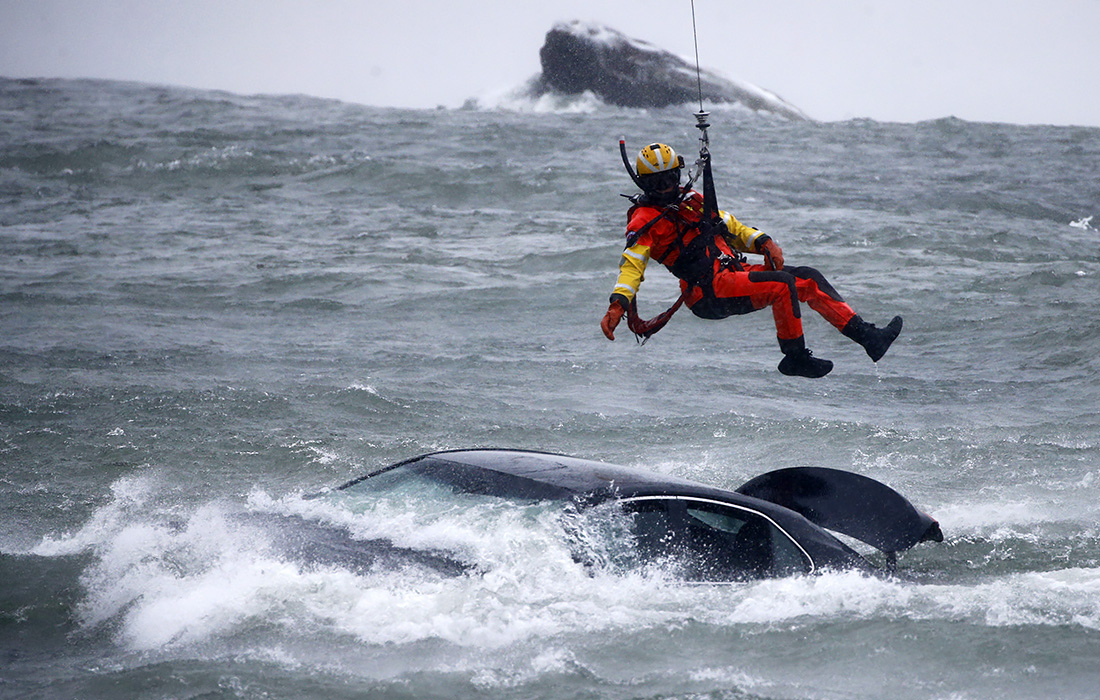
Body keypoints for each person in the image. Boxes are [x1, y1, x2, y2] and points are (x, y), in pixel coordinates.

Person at [600, 143, 902, 378]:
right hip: (707, 292)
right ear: (644, 184)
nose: (667, 188)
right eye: (658, 183)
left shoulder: (692, 201)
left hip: (733, 273)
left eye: (670, 178)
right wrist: (618, 304)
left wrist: (763, 242)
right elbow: (632, 267)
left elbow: (730, 226)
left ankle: (869, 337)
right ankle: (795, 357)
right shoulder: (643, 221)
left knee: (808, 278)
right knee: (782, 285)